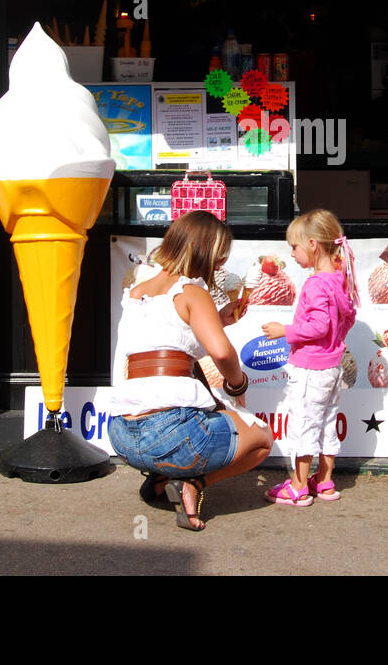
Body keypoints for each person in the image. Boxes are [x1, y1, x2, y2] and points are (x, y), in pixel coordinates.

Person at [105, 211, 271, 531]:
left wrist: (219, 320)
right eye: (220, 254)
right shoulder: (193, 292)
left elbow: (166, 340)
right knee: (262, 438)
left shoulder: (137, 292)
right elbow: (221, 352)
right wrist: (238, 385)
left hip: (122, 437)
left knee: (196, 427)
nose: (222, 261)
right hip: (170, 435)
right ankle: (194, 482)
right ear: (204, 251)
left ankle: (161, 477)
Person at [260, 208, 358, 506]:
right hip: (332, 365)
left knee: (303, 422)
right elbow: (346, 319)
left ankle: (299, 485)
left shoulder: (316, 284)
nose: (291, 254)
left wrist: (285, 331)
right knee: (327, 420)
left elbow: (318, 326)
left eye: (295, 247)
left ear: (313, 244)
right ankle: (325, 481)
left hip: (310, 367)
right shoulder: (341, 278)